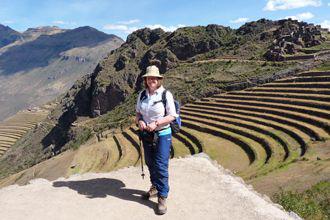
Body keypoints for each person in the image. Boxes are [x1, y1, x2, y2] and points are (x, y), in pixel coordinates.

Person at [135, 65, 178, 215]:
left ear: (159, 79)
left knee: (160, 165)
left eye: (154, 78)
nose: (151, 80)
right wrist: (140, 121)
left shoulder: (166, 95)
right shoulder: (142, 95)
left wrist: (157, 123)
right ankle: (155, 187)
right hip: (147, 134)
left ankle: (162, 196)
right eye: (149, 78)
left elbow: (172, 115)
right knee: (150, 163)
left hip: (162, 134)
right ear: (145, 80)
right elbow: (138, 114)